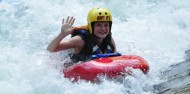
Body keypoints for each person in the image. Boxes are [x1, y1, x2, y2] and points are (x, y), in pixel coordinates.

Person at [47, 7, 117, 64]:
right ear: (91, 26)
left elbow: (116, 59)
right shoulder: (79, 40)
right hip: (71, 69)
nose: (103, 29)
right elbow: (50, 49)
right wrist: (62, 35)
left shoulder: (109, 40)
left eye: (106, 25)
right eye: (99, 25)